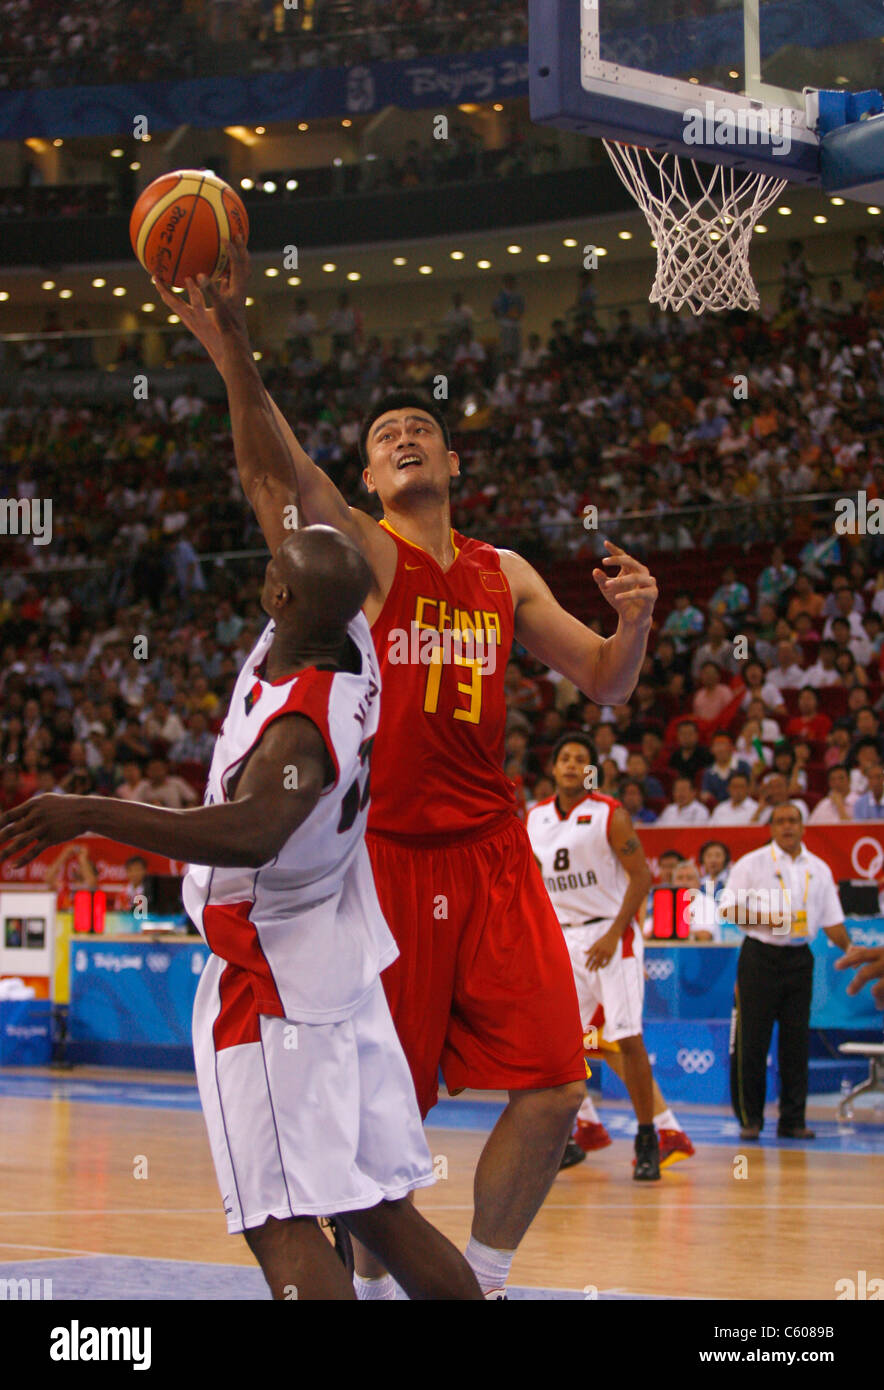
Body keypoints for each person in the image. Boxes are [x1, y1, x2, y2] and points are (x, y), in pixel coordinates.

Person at [154, 241, 658, 1299]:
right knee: (372, 1118)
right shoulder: (365, 559)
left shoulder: (501, 573)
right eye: (386, 439)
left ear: (452, 465)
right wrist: (233, 348)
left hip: (488, 852)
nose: (405, 438)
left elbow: (606, 683)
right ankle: (380, 1280)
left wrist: (638, 621)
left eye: (420, 429)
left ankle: (481, 1277)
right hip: (381, 861)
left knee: (557, 1082)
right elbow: (284, 475)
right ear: (374, 480)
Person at [0, 526, 481, 1303]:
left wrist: (90, 811)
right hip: (342, 961)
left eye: (270, 568)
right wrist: (244, 393)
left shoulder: (297, 729)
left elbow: (253, 833)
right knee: (378, 1210)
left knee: (278, 1221)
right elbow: (269, 488)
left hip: (270, 979)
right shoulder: (347, 632)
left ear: (279, 596)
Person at [526, 735, 693, 1176]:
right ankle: (575, 1133)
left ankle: (646, 1140)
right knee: (558, 1044)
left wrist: (615, 932)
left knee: (626, 1038)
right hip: (563, 938)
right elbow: (531, 885)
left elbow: (641, 878)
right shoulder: (535, 818)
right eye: (564, 757)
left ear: (591, 771)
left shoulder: (609, 814)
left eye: (581, 760)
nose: (571, 764)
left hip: (610, 935)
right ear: (553, 767)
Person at [720, 804, 851, 1140]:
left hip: (798, 959)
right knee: (752, 1040)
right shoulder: (752, 863)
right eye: (780, 821)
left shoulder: (819, 869)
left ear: (803, 827)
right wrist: (772, 922)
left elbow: (833, 922)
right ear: (772, 828)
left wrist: (853, 952)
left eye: (793, 821)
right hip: (760, 958)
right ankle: (751, 1119)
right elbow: (731, 910)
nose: (787, 827)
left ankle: (792, 1120)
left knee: (796, 1043)